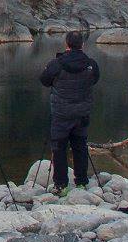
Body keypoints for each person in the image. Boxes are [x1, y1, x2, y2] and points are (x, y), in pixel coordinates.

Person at [39, 31, 100, 193]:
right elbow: (95, 79)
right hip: (81, 112)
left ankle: (61, 184)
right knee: (80, 145)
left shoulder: (56, 64)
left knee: (59, 148)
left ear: (66, 45)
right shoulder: (91, 64)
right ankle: (81, 181)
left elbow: (44, 80)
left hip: (61, 112)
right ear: (83, 45)